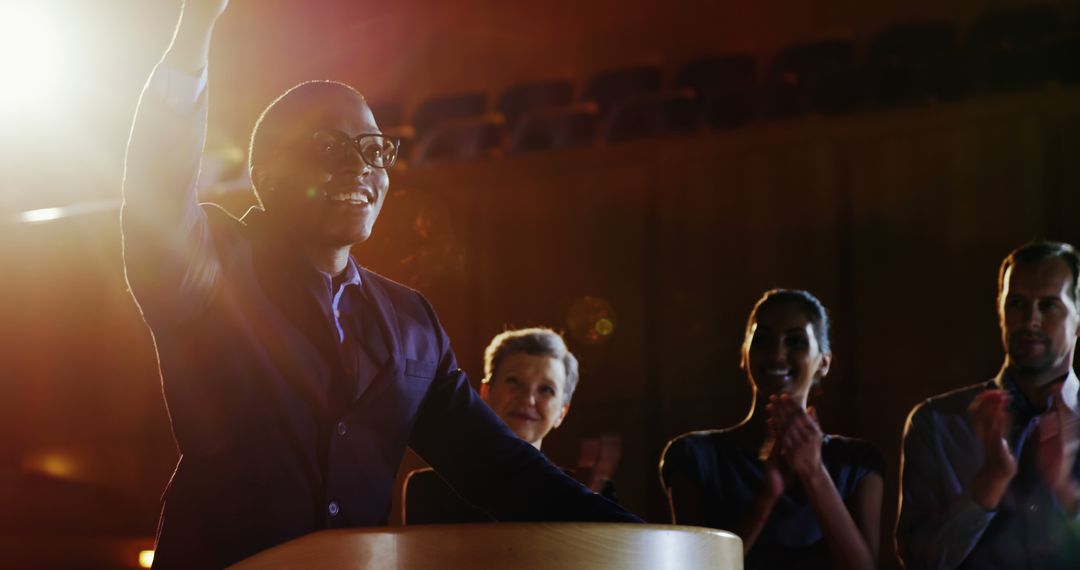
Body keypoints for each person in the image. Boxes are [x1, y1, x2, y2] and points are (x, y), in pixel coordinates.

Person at [121, 2, 638, 567]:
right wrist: (195, 30)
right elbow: (157, 187)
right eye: (327, 147)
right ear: (265, 175)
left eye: (373, 149)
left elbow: (500, 466)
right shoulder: (210, 264)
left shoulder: (412, 320)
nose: (358, 167)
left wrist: (647, 540)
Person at [660, 289, 883, 570]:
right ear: (744, 354)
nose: (777, 354)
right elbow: (697, 568)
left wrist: (814, 473)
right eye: (763, 340)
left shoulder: (858, 462)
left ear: (823, 363)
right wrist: (767, 497)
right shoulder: (695, 456)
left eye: (795, 342)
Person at [897, 241, 1080, 569]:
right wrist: (990, 482)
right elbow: (917, 560)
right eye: (1017, 303)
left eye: (1049, 305)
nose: (1030, 320)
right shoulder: (936, 424)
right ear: (1000, 311)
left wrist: (1068, 495)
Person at [402, 328, 619, 524]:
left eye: (545, 390)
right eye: (514, 382)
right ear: (485, 393)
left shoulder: (592, 492)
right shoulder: (427, 489)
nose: (528, 399)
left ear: (563, 411)